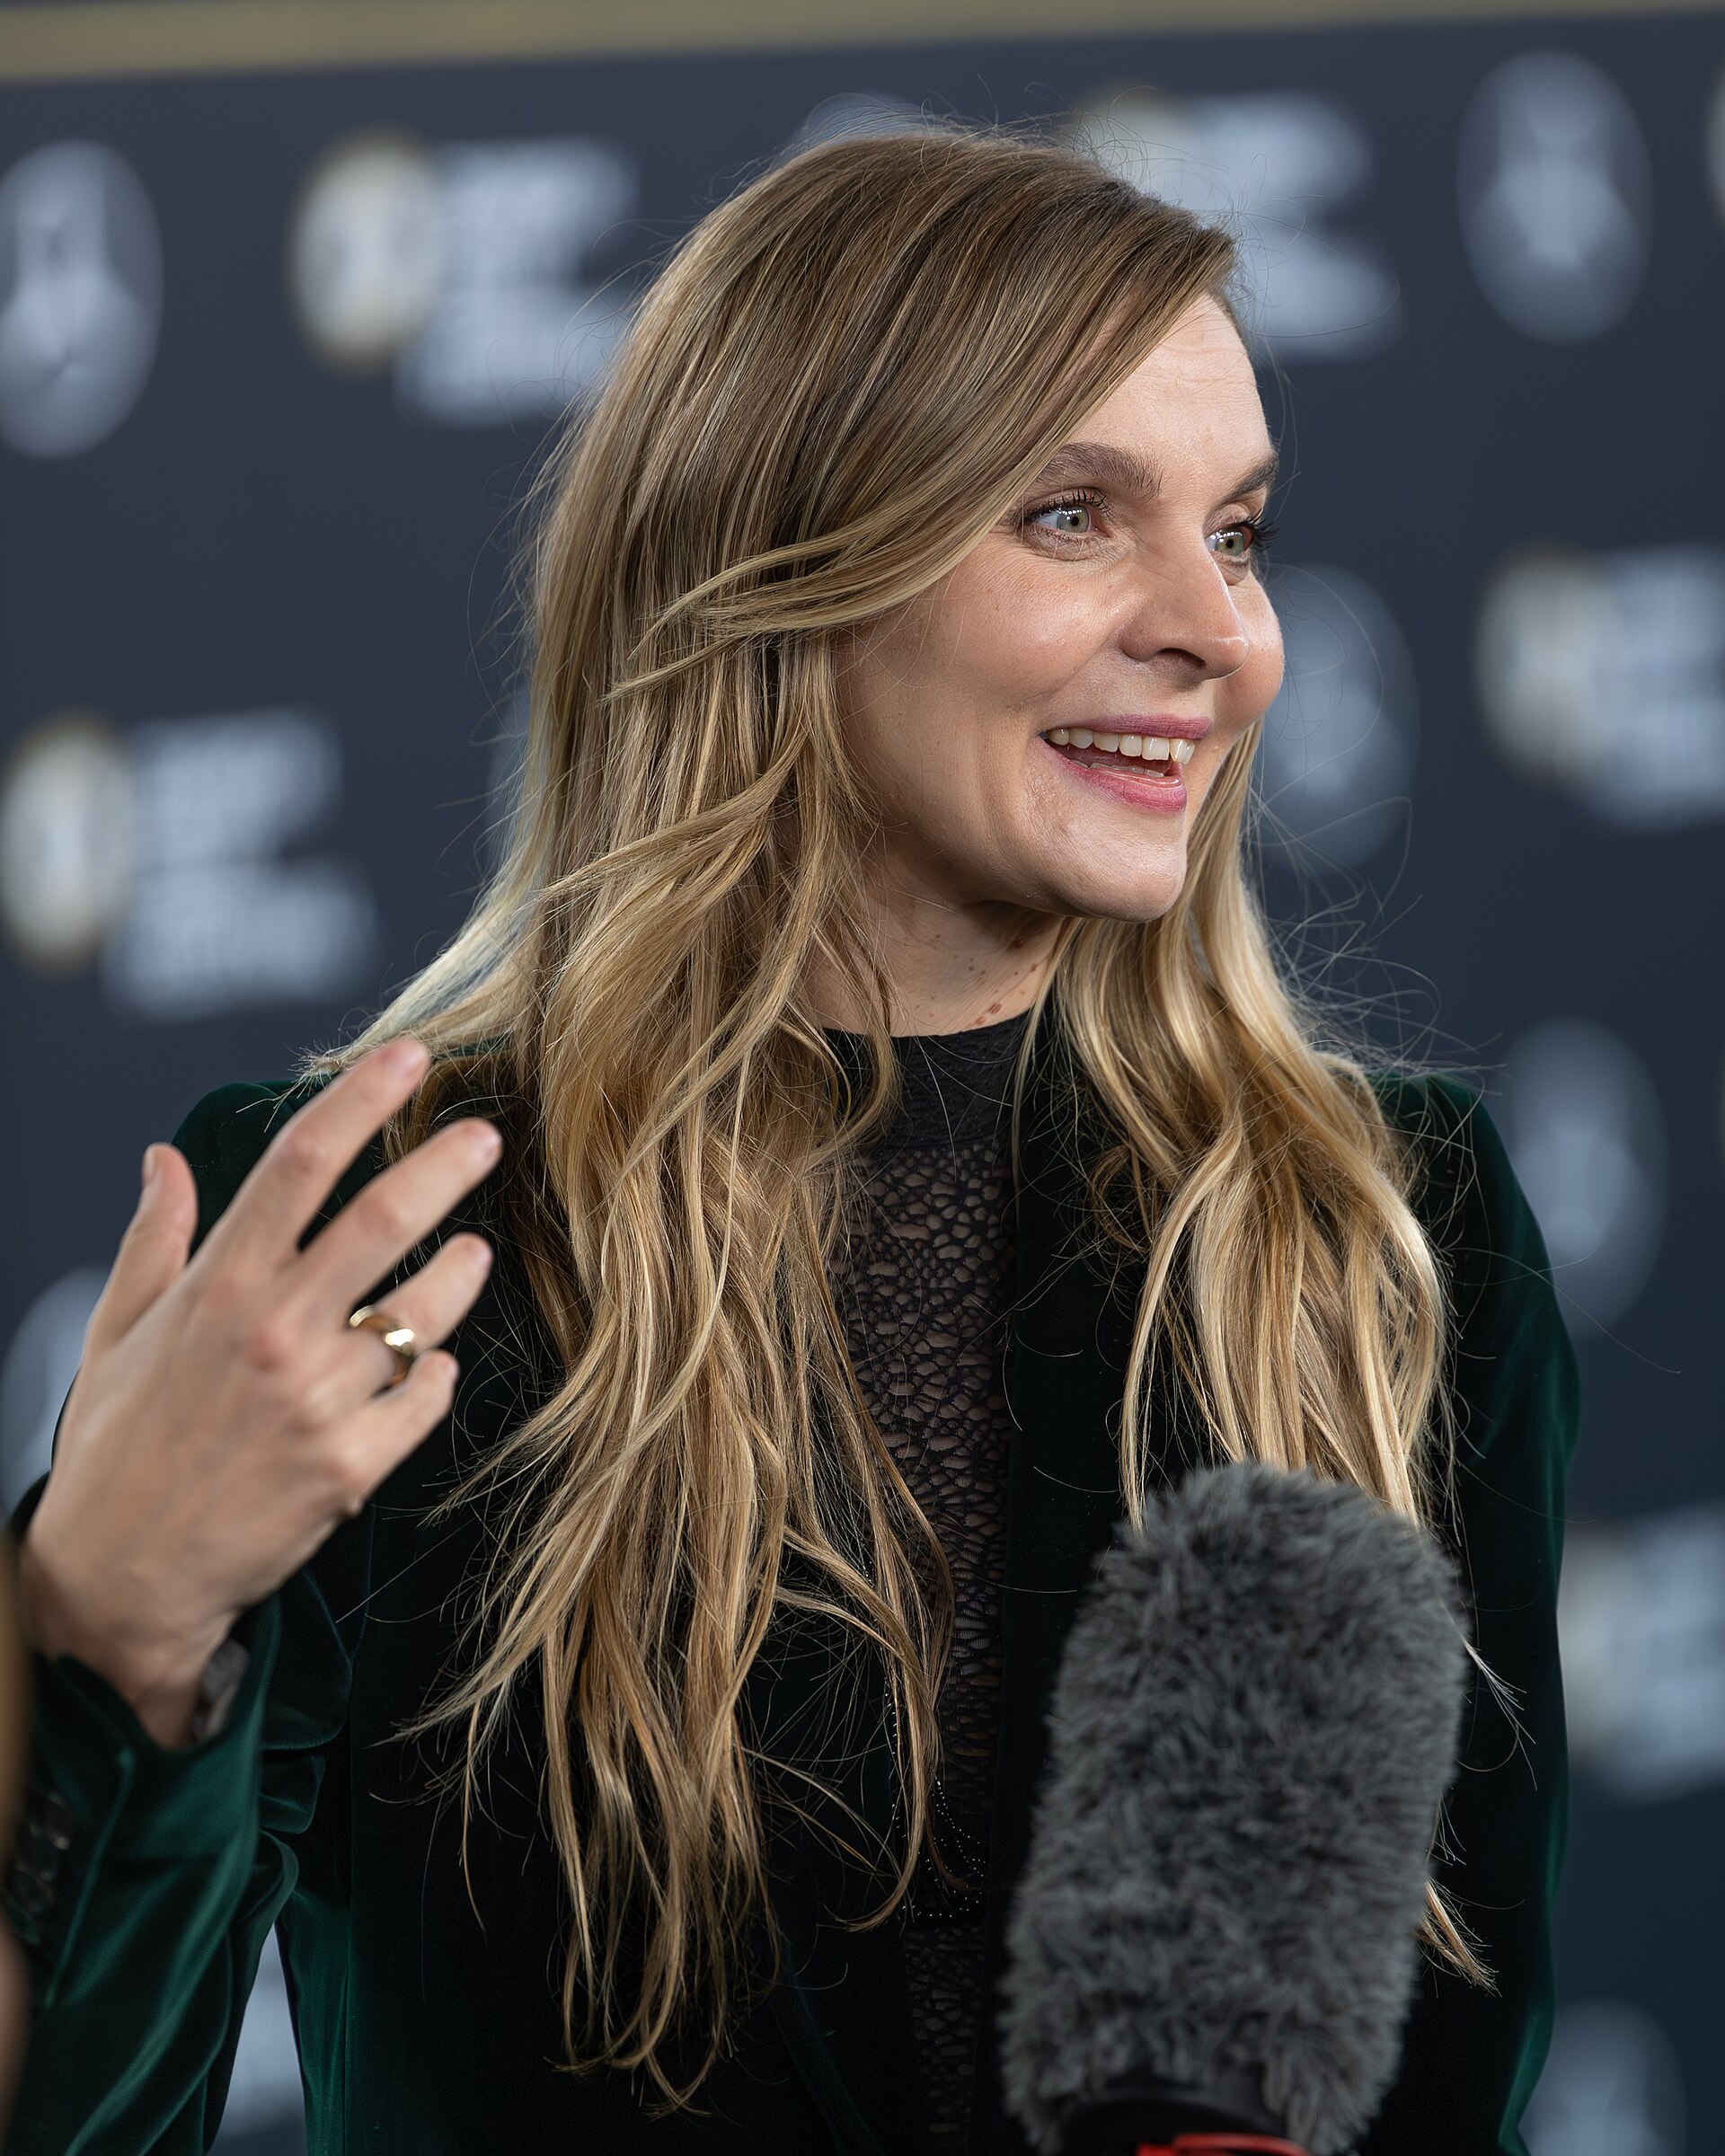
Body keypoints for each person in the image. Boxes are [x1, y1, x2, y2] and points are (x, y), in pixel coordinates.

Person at [5, 128, 1577, 2155]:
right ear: (780, 564)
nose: (1226, 634)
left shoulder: (1389, 1224)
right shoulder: (389, 1228)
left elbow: (1456, 2082)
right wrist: (109, 1642)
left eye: (1244, 533)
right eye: (1076, 515)